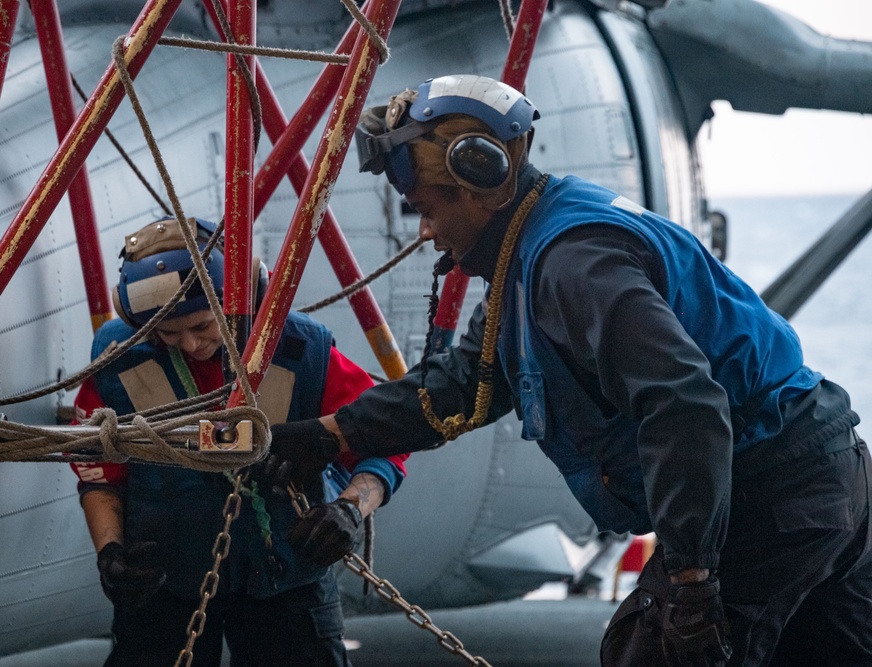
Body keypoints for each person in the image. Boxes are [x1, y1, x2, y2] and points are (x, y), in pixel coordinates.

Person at [265, 74, 872, 667]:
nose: (424, 231)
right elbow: (459, 384)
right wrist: (333, 435)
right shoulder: (530, 256)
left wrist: (691, 578)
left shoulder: (571, 264)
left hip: (773, 494)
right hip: (822, 476)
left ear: (479, 180)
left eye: (425, 208)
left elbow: (683, 402)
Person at [70, 216, 408, 667]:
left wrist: (348, 510)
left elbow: (385, 438)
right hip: (165, 581)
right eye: (167, 334)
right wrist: (111, 553)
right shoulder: (118, 362)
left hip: (285, 579)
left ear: (242, 301)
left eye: (204, 327)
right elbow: (99, 472)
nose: (189, 345)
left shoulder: (300, 351)